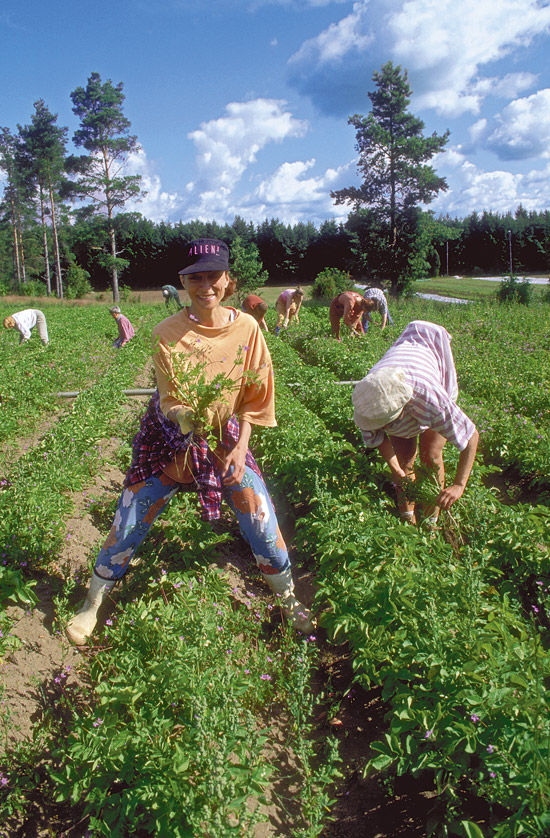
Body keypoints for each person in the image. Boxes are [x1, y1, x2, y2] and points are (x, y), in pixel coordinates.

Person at [66, 238, 315, 646]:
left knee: (261, 519)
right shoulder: (167, 332)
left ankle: (288, 599)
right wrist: (184, 417)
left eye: (213, 276)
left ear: (228, 281)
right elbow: (169, 400)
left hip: (225, 437)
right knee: (129, 518)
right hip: (168, 438)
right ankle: (93, 604)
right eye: (195, 277)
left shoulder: (248, 329)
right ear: (183, 282)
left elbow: (255, 397)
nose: (205, 286)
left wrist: (237, 448)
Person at [352, 320, 479, 527]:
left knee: (431, 456)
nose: (382, 428)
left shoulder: (430, 399)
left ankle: (431, 523)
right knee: (404, 462)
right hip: (403, 373)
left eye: (386, 424)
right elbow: (376, 437)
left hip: (428, 363)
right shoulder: (369, 397)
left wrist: (459, 485)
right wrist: (397, 470)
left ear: (400, 411)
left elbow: (471, 437)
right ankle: (407, 520)